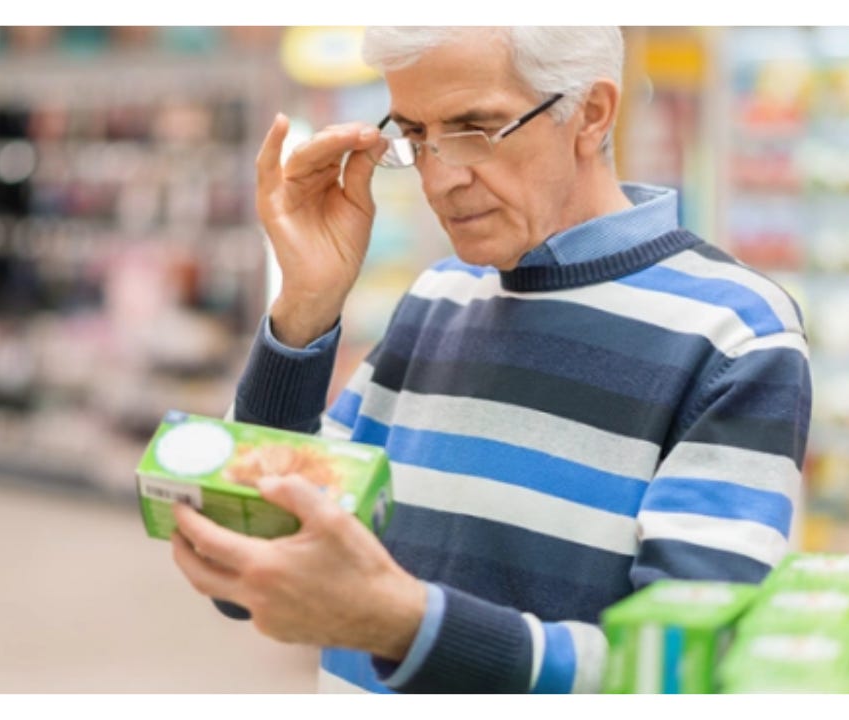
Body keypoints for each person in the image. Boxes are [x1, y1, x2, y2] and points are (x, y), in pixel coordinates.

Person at [168, 26, 812, 694]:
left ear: (591, 113)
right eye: (415, 136)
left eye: (476, 129)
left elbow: (681, 674)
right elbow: (250, 569)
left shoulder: (733, 333)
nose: (441, 177)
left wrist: (406, 627)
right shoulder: (438, 297)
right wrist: (304, 304)